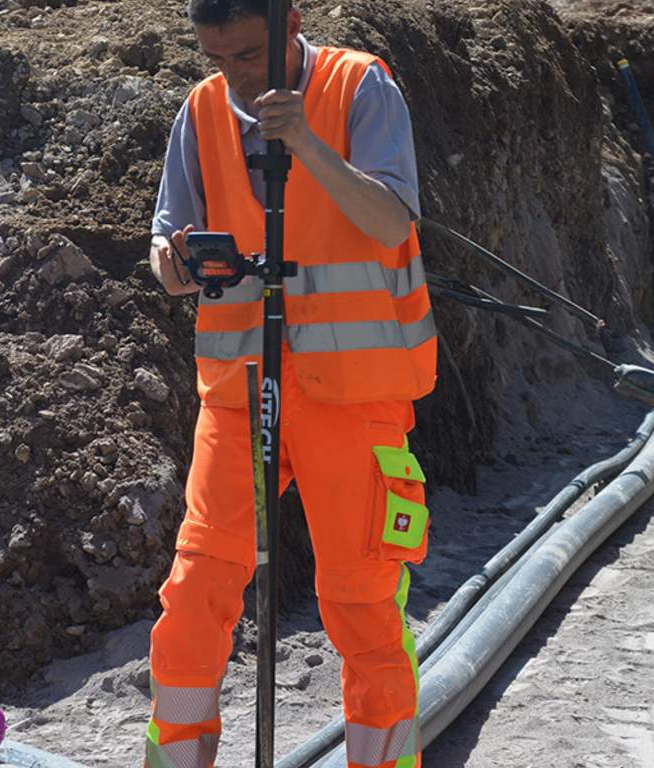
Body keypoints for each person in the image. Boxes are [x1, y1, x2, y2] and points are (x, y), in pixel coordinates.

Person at [145, 1, 437, 765]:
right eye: (218, 58)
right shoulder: (203, 110)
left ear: (291, 22)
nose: (234, 76)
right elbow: (166, 237)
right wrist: (170, 264)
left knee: (363, 605)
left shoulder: (359, 87)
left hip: (356, 396)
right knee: (194, 594)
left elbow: (387, 221)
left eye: (247, 55)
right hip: (241, 393)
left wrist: (303, 137)